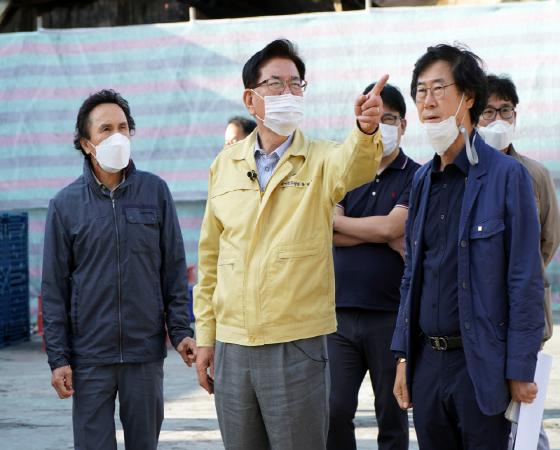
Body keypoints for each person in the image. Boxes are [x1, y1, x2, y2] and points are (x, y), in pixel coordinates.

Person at [193, 38, 387, 450]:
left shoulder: (321, 158)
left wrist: (366, 129)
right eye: (276, 83)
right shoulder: (225, 165)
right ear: (251, 99)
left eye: (296, 83)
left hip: (296, 343)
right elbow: (210, 257)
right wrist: (206, 336)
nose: (288, 92)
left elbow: (355, 165)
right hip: (232, 344)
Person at [390, 44, 545, 450]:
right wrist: (403, 356)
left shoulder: (507, 176)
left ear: (469, 97)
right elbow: (411, 275)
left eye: (439, 88)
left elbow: (525, 277)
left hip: (482, 365)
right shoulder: (422, 180)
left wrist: (520, 367)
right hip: (427, 362)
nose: (428, 101)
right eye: (421, 91)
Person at [42, 89, 196, 450]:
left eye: (123, 127)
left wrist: (180, 331)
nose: (117, 136)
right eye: (105, 129)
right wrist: (59, 358)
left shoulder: (155, 192)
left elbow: (173, 271)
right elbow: (54, 289)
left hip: (144, 354)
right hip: (90, 356)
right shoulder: (65, 205)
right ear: (86, 144)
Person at [328, 82, 419, 450]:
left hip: (390, 315)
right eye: (375, 119)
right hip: (338, 314)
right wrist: (381, 233)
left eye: (390, 119)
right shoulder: (347, 171)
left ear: (404, 125)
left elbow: (393, 227)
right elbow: (327, 229)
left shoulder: (417, 175)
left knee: (392, 412)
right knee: (333, 410)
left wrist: (348, 226)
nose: (383, 127)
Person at [478, 74, 560, 450]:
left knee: (525, 417)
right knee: (483, 414)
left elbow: (549, 238)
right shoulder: (464, 172)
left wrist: (518, 278)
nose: (498, 120)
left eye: (506, 111)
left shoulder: (535, 174)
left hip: (524, 317)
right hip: (478, 318)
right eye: (488, 112)